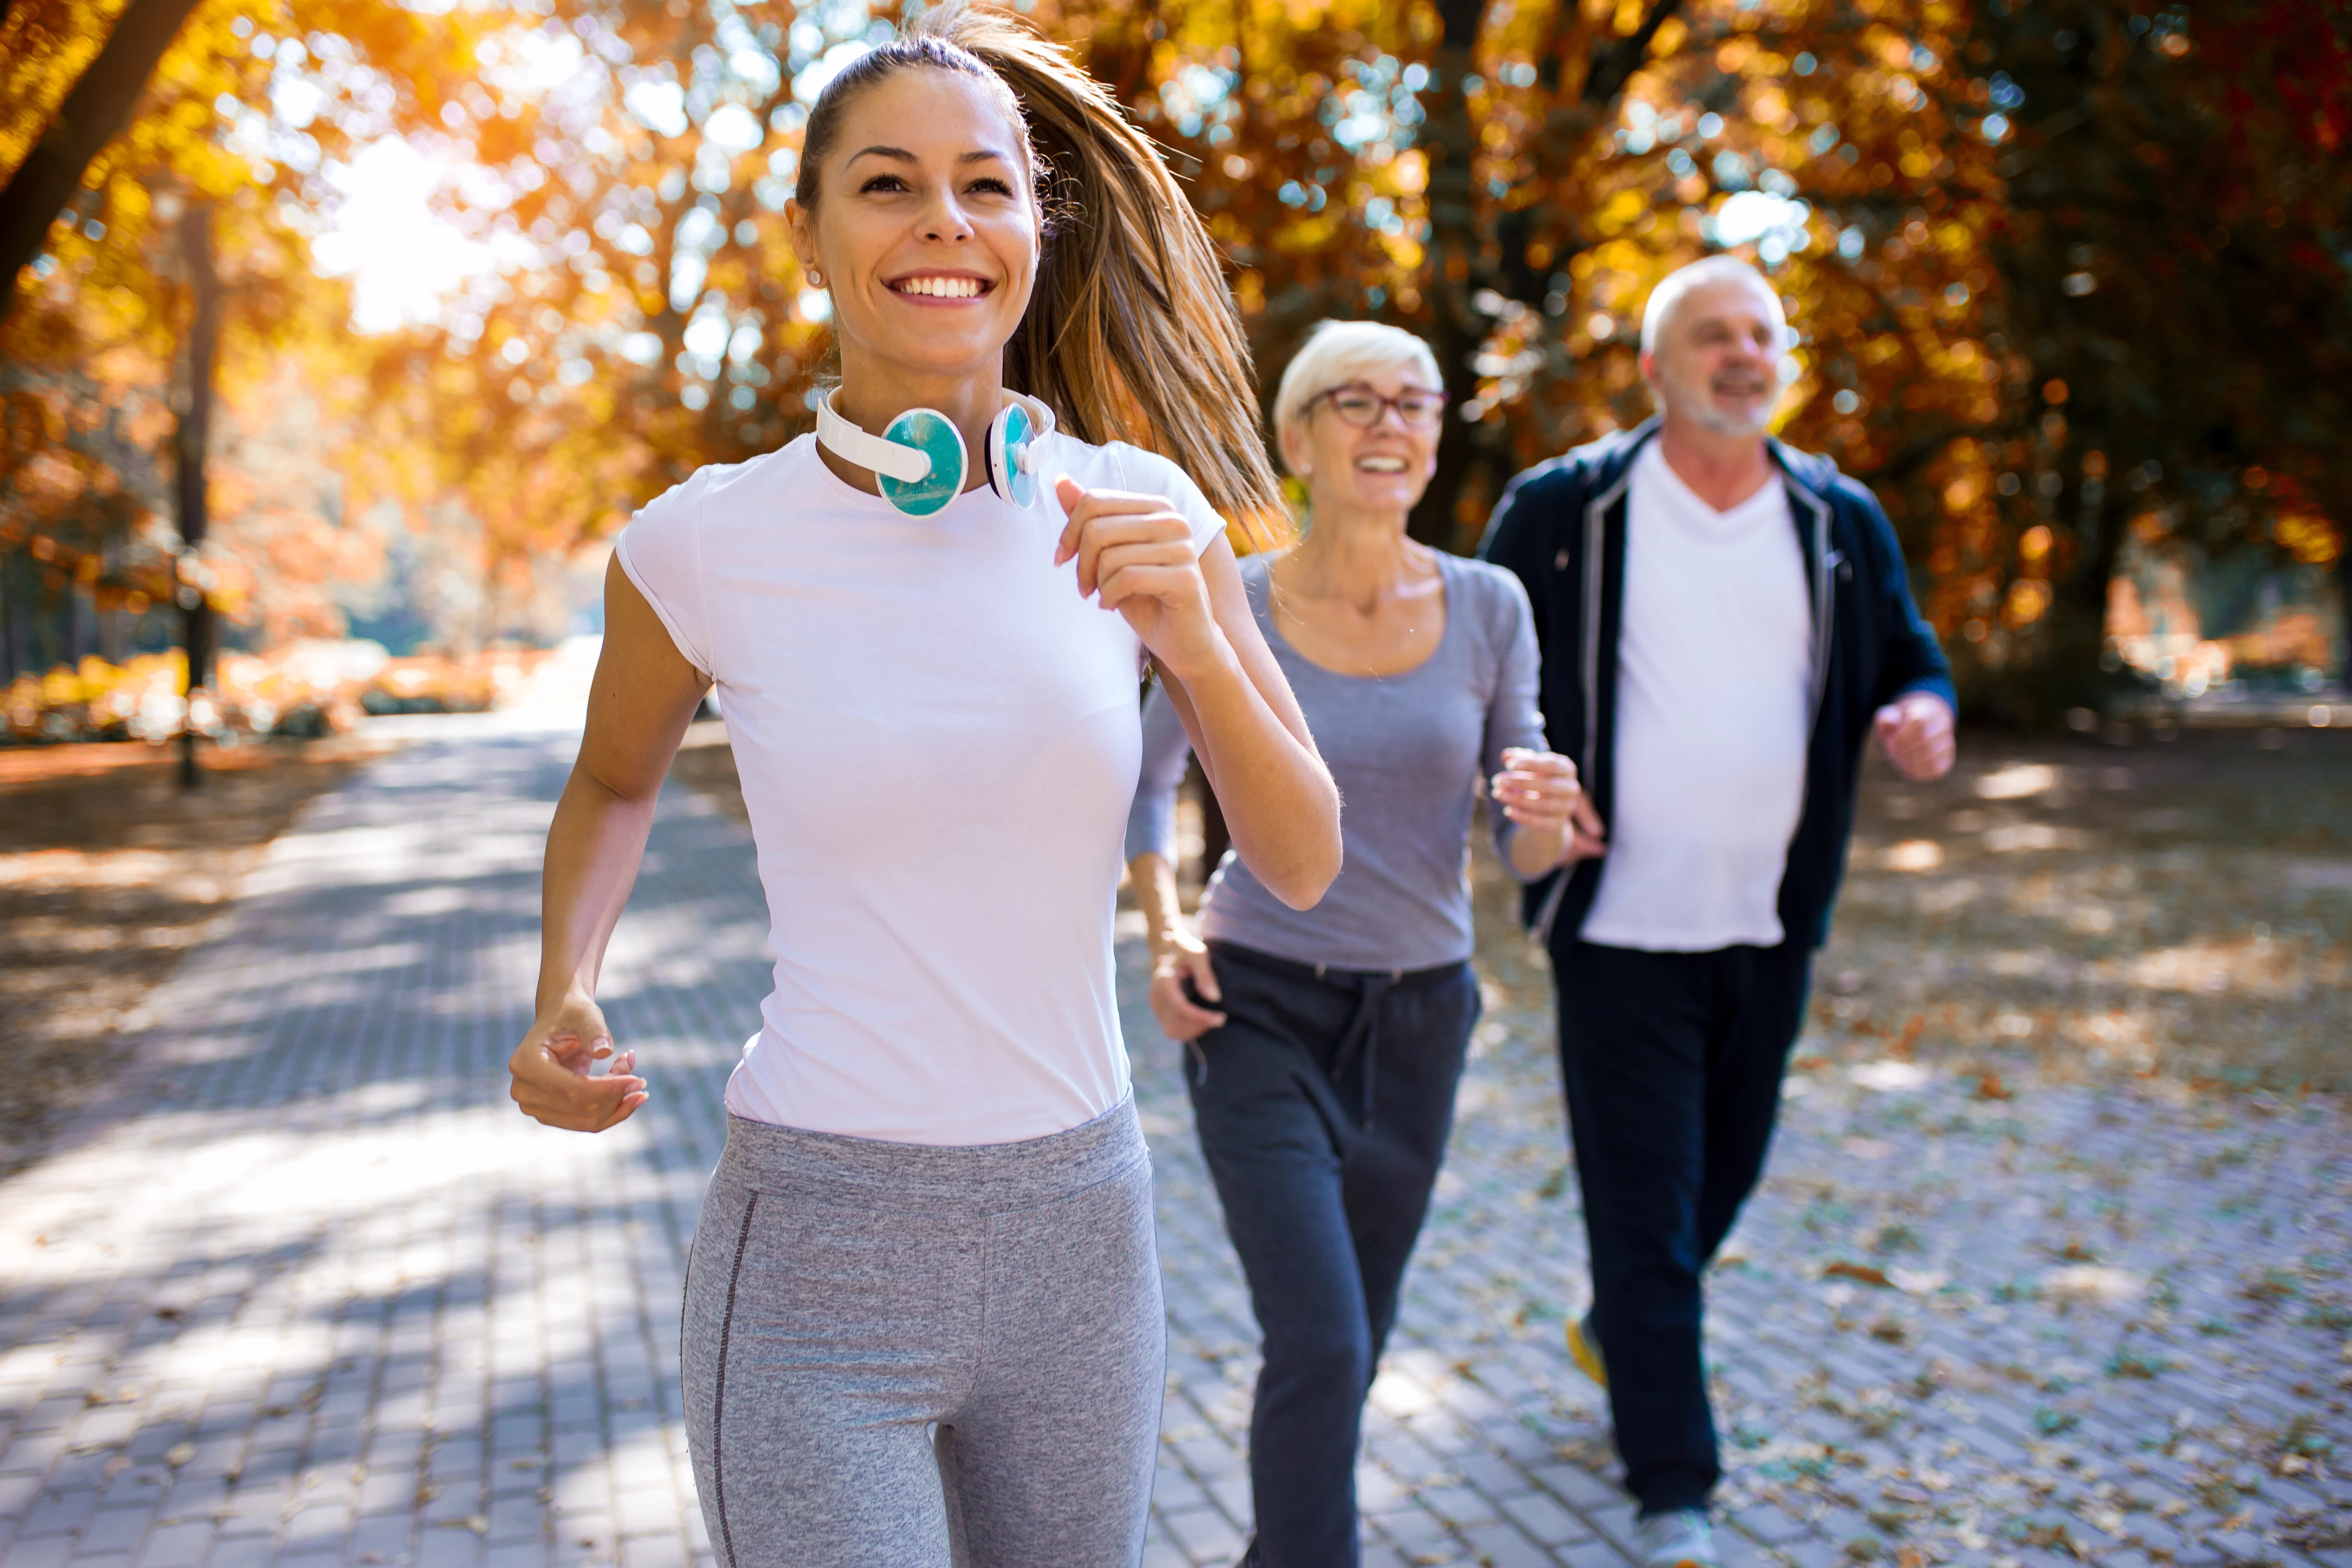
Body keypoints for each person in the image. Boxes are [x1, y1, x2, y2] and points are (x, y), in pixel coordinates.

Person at [504, 8, 1344, 1565]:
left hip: (1084, 1232)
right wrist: (567, 984)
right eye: (887, 185)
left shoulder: (1147, 511)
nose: (943, 222)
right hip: (818, 1249)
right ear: (813, 237)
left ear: (1036, 226)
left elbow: (1302, 862)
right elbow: (616, 783)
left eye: (986, 185)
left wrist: (1200, 651)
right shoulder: (701, 540)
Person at [1479, 255, 1956, 1567]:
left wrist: (1925, 709)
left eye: (1761, 333)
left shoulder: (1837, 517)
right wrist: (1519, 781)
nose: (1743, 353)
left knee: (1719, 1182)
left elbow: (1913, 650)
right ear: (1654, 366)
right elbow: (1477, 675)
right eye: (1711, 334)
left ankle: (1617, 1328)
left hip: (1769, 923)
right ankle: (1673, 1489)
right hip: (1619, 923)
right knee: (1647, 1211)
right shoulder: (1570, 507)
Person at [1128, 320, 1584, 1568]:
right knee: (1323, 1337)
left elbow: (1523, 850)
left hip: (1423, 1020)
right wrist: (1166, 929)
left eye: (1414, 401)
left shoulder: (1491, 604)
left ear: (1438, 433)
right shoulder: (1237, 598)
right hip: (1256, 1002)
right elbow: (1146, 780)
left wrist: (1542, 813)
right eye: (1353, 400)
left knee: (1354, 1341)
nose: (1389, 421)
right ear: (1296, 436)